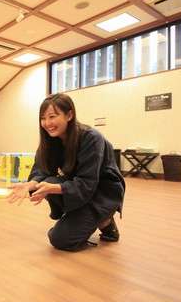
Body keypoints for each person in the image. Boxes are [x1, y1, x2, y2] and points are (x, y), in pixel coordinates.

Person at [7, 93, 125, 251]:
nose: (47, 123)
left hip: (102, 193)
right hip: (78, 187)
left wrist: (52, 188)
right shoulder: (50, 139)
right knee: (46, 183)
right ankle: (78, 218)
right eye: (43, 118)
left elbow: (87, 183)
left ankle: (105, 220)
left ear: (69, 115)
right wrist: (30, 184)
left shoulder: (91, 138)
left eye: (52, 116)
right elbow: (42, 169)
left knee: (60, 240)